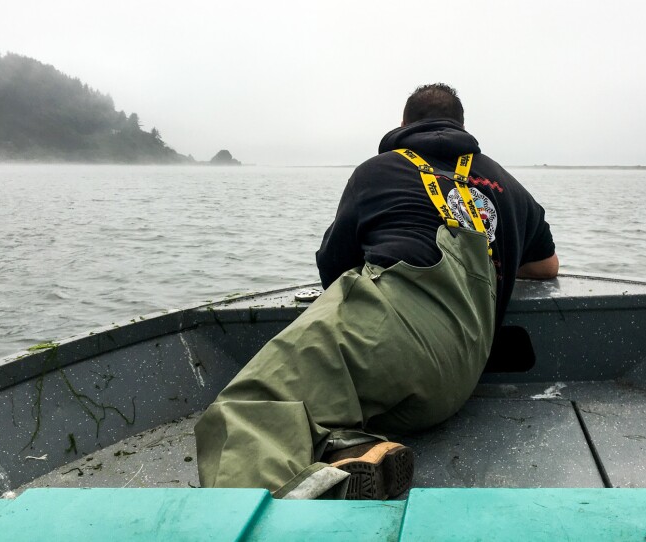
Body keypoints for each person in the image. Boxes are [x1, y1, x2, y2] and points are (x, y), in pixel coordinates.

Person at [195, 83, 558, 500]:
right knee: (347, 405)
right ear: (461, 126)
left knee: (248, 411)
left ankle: (267, 518)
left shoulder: (378, 170)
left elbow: (332, 265)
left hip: (394, 337)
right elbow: (547, 266)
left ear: (403, 124)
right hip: (460, 376)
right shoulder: (507, 185)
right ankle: (350, 453)